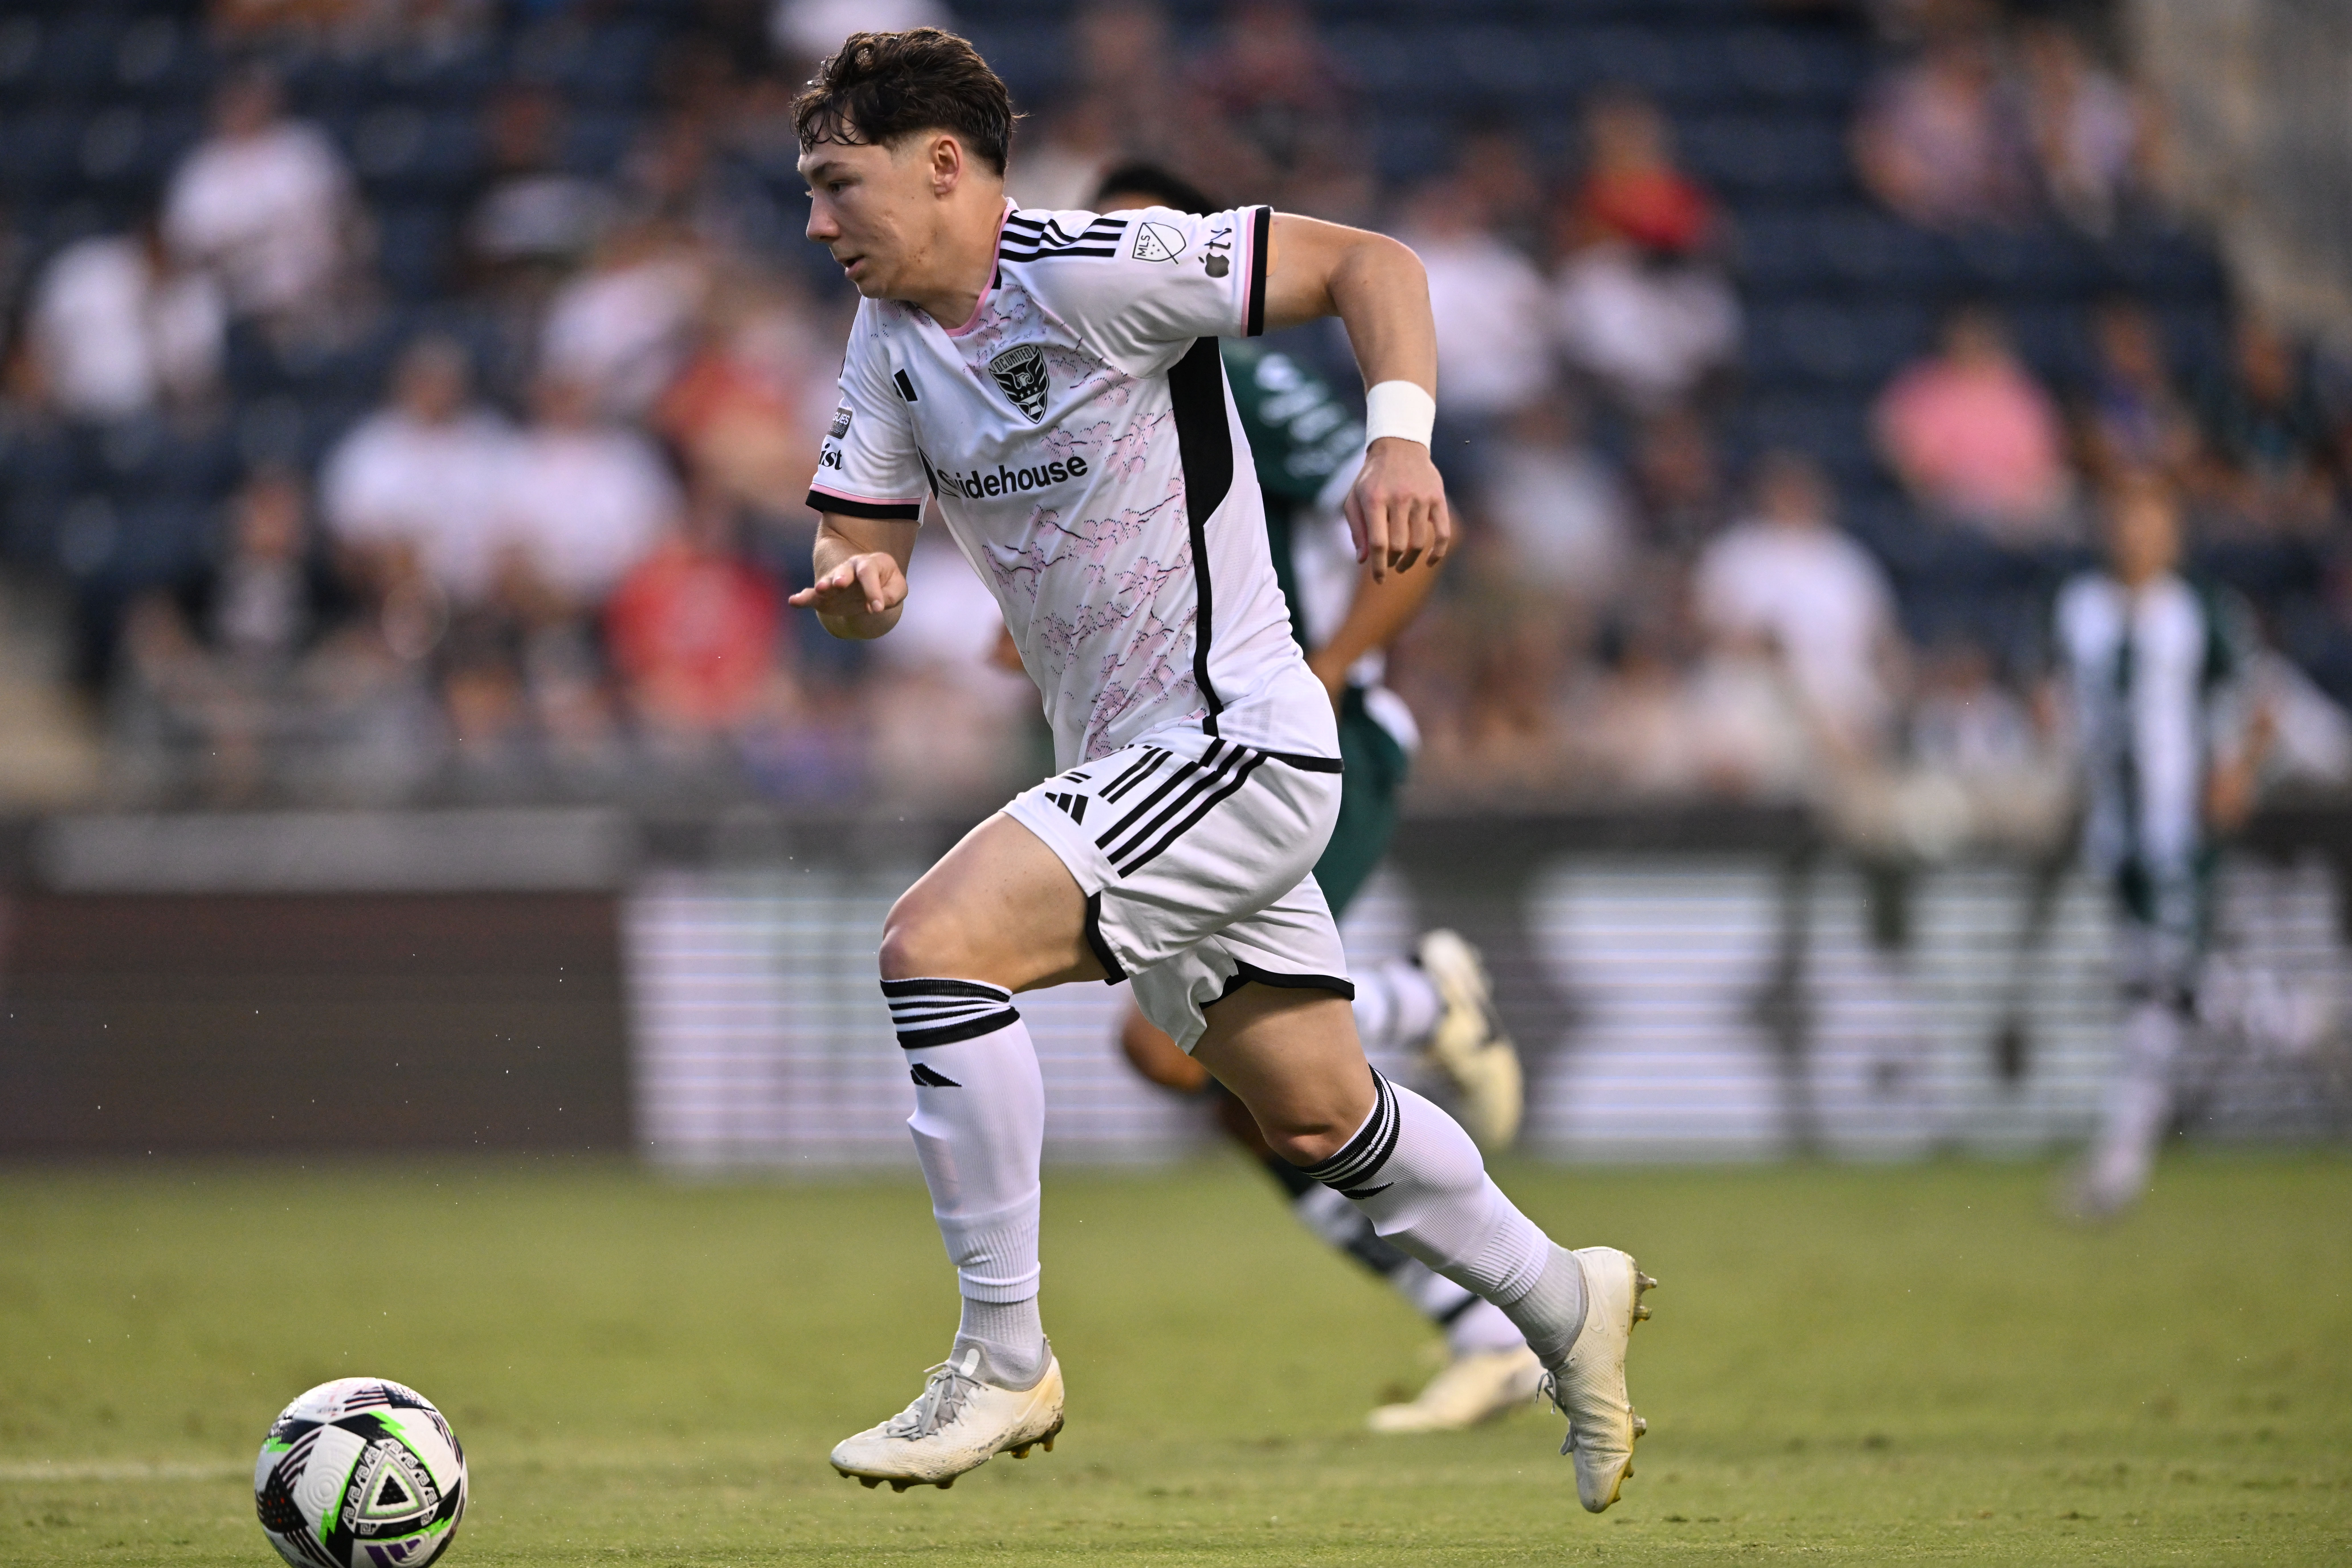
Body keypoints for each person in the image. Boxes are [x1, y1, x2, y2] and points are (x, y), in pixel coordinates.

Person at [786, 30, 1653, 1508]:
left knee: (934, 949)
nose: (815, 223)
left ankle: (1003, 1358)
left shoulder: (1102, 266)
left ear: (944, 168)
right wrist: (860, 580)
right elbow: (860, 539)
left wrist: (1400, 447)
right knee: (1317, 1116)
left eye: (835, 184)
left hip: (1233, 741)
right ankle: (1568, 1299)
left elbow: (1377, 266)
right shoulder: (885, 344)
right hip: (1134, 765)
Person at [1091, 162, 1535, 1434]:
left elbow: (1413, 527)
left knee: (1164, 1046)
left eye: (1145, 245)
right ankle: (1483, 1325)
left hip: (1303, 748)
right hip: (1184, 762)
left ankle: (1419, 994)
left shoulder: (1231, 369)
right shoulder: (1096, 395)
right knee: (1250, 1090)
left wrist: (1330, 675)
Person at [2052, 474, 2269, 1219]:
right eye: (2125, 517)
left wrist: (2236, 773)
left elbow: (2259, 698)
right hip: (2114, 836)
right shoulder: (2077, 607)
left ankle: (2118, 1169)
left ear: (2174, 531)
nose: (2137, 533)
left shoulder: (2202, 610)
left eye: (2151, 519)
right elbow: (2063, 707)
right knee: (2158, 992)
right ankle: (2297, 1021)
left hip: (2179, 834)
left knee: (2158, 987)